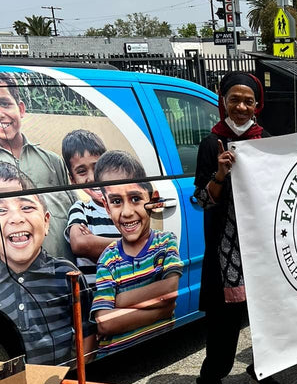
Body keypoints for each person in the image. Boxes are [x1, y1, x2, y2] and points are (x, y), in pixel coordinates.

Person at [194, 71, 283, 384]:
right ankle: (210, 382)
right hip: (227, 249)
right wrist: (220, 174)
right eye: (235, 100)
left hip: (262, 247)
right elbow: (202, 201)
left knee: (268, 316)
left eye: (248, 101)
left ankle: (261, 372)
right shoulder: (211, 143)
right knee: (224, 323)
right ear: (223, 102)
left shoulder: (267, 141)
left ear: (257, 105)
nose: (242, 107)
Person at [0, 162, 95, 364]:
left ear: (46, 222)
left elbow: (88, 334)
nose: (16, 218)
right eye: (1, 210)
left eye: (26, 207)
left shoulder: (67, 274)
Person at [90, 151, 183, 353]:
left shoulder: (165, 243)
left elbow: (170, 290)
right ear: (106, 206)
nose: (127, 212)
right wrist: (162, 311)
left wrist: (120, 301)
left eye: (135, 198)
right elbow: (105, 323)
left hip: (159, 354)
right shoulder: (108, 260)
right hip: (118, 358)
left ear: (152, 200)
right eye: (116, 201)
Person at [0, 72, 76, 261]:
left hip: (61, 269)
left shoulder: (52, 161)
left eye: (5, 103)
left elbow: (74, 213)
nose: (0, 114)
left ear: (21, 109)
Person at [63, 129, 120, 284]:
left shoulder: (124, 206)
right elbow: (80, 244)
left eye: (97, 167)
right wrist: (130, 244)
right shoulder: (80, 209)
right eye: (82, 171)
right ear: (73, 180)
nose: (92, 177)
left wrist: (95, 244)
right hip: (98, 293)